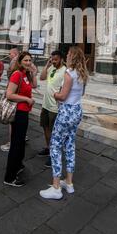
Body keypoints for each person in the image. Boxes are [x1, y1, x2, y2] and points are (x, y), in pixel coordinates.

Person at [40, 46, 88, 200]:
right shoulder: (83, 74)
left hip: (66, 112)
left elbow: (62, 96)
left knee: (55, 146)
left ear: (72, 57)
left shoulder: (69, 74)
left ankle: (55, 186)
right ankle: (69, 182)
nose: (66, 56)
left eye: (68, 54)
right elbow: (81, 93)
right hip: (77, 111)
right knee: (70, 145)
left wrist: (55, 93)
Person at [4, 52, 37, 187]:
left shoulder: (26, 74)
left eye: (30, 60)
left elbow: (34, 85)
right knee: (16, 144)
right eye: (25, 60)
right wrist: (27, 99)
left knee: (20, 142)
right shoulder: (17, 74)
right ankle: (9, 177)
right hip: (18, 112)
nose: (28, 62)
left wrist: (33, 72)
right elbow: (9, 94)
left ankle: (18, 165)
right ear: (19, 61)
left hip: (24, 112)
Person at [38, 51, 66, 168]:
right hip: (46, 104)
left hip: (55, 107)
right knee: (45, 127)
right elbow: (42, 77)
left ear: (61, 59)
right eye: (52, 59)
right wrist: (47, 65)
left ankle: (54, 154)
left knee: (55, 132)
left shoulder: (65, 71)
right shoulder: (52, 68)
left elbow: (64, 89)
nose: (53, 61)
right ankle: (49, 148)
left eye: (55, 59)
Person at [0, 47, 20, 152]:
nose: (9, 55)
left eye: (10, 53)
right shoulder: (24, 62)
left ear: (14, 54)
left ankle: (11, 142)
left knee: (12, 118)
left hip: (13, 91)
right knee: (19, 118)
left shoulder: (14, 61)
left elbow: (10, 75)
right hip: (20, 92)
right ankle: (21, 137)